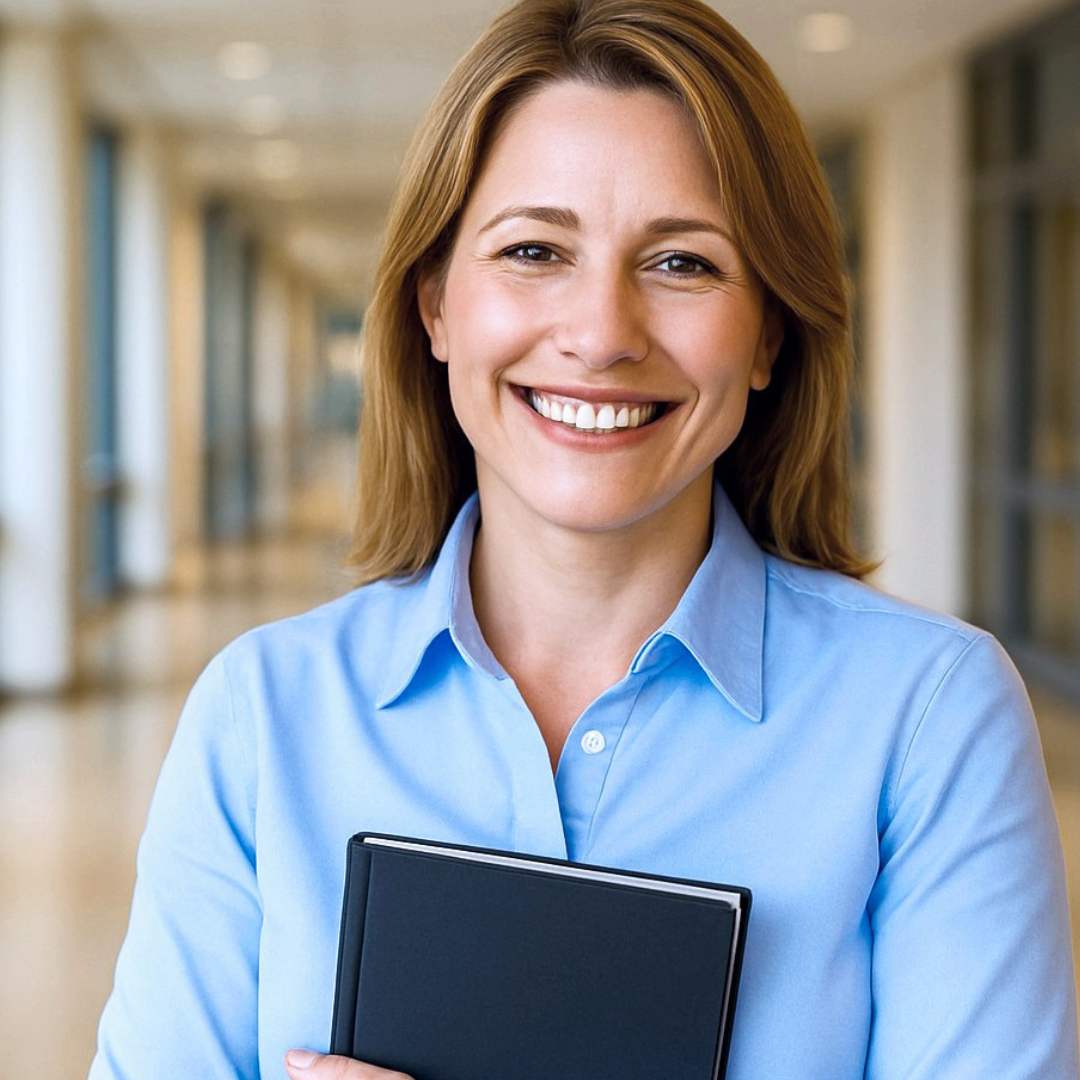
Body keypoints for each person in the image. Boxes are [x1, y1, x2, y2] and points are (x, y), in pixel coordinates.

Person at [90, 0, 1079, 1077]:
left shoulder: (928, 722)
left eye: (683, 264)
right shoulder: (263, 718)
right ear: (435, 306)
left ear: (768, 335)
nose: (602, 334)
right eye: (533, 250)